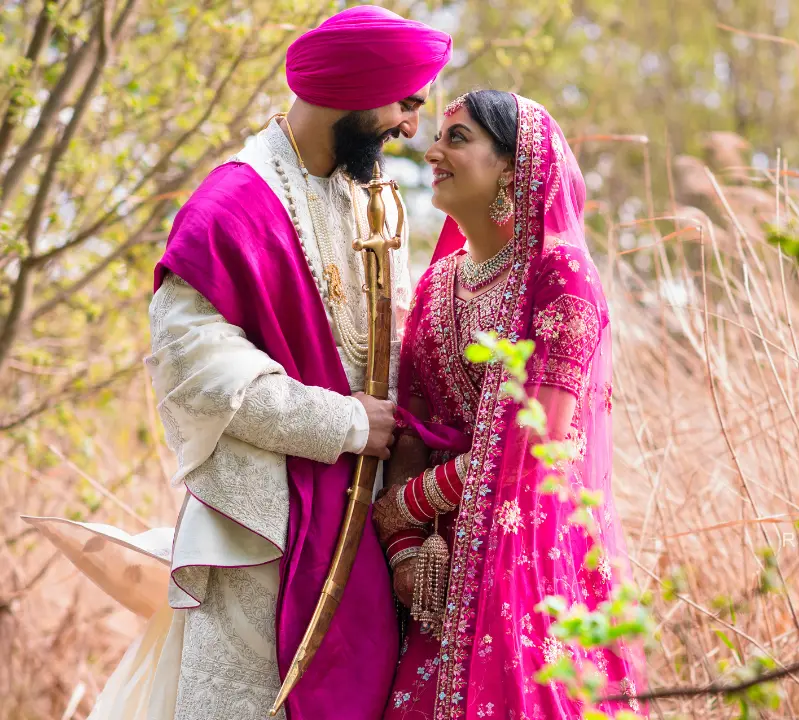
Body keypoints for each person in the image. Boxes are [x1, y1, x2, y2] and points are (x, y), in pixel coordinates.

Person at [25, 7, 453, 720]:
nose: (412, 126)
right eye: (406, 102)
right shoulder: (233, 204)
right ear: (356, 89)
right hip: (260, 537)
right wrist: (343, 423)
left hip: (359, 533)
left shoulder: (364, 198)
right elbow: (197, 372)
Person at [370, 90, 646, 719]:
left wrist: (408, 504)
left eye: (458, 139)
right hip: (437, 574)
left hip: (527, 558)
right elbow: (413, 429)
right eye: (439, 136)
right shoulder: (438, 284)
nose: (432, 151)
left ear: (512, 170)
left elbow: (538, 438)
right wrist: (407, 551)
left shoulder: (560, 274)